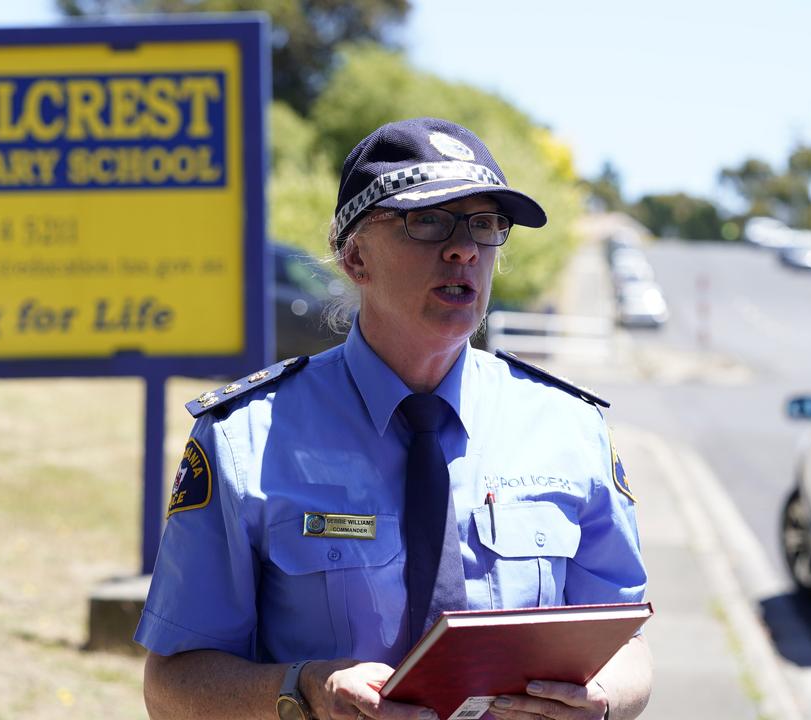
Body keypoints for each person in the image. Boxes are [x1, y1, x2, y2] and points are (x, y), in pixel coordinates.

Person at [136, 117, 651, 720]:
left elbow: (628, 645)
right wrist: (304, 691)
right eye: (427, 220)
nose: (464, 249)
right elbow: (171, 687)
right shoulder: (244, 437)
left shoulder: (568, 428)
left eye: (484, 225)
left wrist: (603, 700)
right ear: (355, 257)